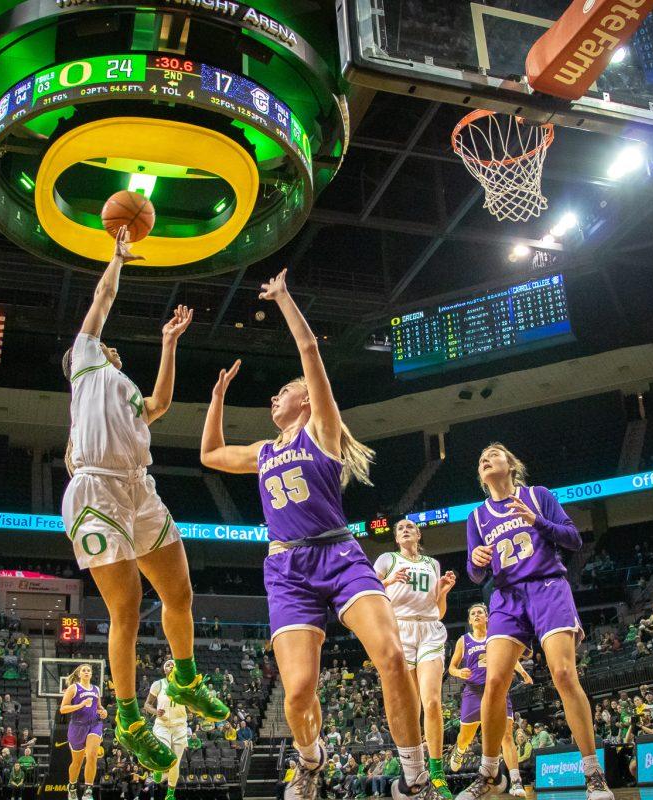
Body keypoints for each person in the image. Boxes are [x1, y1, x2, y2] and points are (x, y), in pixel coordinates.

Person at [200, 269, 433, 800]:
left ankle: (415, 777)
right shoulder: (263, 451)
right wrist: (216, 396)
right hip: (286, 569)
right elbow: (211, 454)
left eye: (285, 390)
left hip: (339, 554)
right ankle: (310, 760)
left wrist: (283, 298)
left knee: (393, 657)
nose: (275, 397)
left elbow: (309, 352)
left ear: (305, 399)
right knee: (298, 691)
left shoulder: (322, 431)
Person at [60, 229, 227, 771]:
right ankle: (131, 721)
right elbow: (102, 301)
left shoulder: (124, 385)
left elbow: (158, 404)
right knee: (126, 607)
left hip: (139, 488)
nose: (106, 342)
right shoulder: (85, 363)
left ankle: (185, 679)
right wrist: (116, 259)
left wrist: (169, 344)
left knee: (179, 592)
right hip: (96, 490)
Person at [460, 444, 612, 800]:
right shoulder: (477, 517)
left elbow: (573, 539)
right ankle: (489, 772)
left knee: (562, 674)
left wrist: (536, 521)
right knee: (495, 681)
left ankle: (593, 773)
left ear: (511, 465)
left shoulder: (537, 495)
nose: (485, 458)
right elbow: (474, 574)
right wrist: (477, 560)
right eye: (481, 457)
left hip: (547, 587)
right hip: (506, 597)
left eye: (493, 454)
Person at [374, 518, 458, 796]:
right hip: (400, 629)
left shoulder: (432, 564)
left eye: (410, 526)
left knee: (432, 701)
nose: (405, 529)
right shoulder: (388, 559)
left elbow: (439, 610)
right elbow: (369, 593)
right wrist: (388, 580)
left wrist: (443, 591)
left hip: (430, 629)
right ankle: (415, 770)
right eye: (400, 528)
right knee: (412, 709)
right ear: (397, 538)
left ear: (419, 534)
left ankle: (437, 773)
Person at [447, 604, 531, 797]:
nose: (476, 615)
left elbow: (511, 658)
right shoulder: (464, 640)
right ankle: (459, 750)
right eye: (473, 614)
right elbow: (451, 667)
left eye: (480, 613)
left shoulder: (495, 636)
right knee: (465, 737)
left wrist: (523, 672)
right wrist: (459, 672)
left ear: (487, 617)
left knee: (507, 736)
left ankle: (516, 781)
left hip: (497, 690)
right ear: (469, 620)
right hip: (473, 692)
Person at [143, 659, 190, 800]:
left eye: (173, 664)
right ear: (164, 669)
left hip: (180, 726)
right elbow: (147, 705)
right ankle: (157, 769)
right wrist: (155, 711)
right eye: (168, 664)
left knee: (175, 761)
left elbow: (193, 704)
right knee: (165, 752)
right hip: (162, 725)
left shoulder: (185, 685)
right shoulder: (158, 684)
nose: (171, 666)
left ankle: (170, 794)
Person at [60, 664, 107, 800]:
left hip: (94, 724)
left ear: (91, 674)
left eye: (89, 670)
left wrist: (103, 711)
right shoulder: (73, 688)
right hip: (77, 726)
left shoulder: (96, 689)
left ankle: (88, 790)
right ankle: (72, 786)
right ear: (79, 674)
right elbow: (63, 709)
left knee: (92, 755)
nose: (86, 672)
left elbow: (98, 707)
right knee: (77, 762)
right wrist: (80, 705)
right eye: (84, 670)